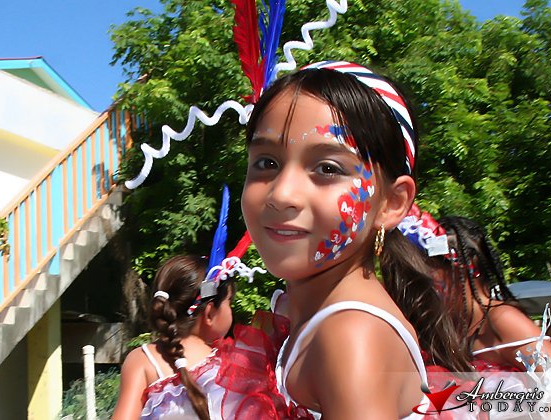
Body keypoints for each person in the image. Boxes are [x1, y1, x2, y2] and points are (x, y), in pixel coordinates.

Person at [240, 61, 471, 419]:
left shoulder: (350, 335)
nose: (281, 194)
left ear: (392, 204)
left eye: (328, 169)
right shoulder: (306, 317)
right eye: (267, 162)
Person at [112, 254, 235, 420]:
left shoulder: (142, 360)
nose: (230, 309)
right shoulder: (233, 364)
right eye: (230, 302)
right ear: (210, 313)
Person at [433, 215, 551, 372]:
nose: (426, 274)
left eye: (434, 264)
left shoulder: (502, 319)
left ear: (470, 266)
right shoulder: (441, 327)